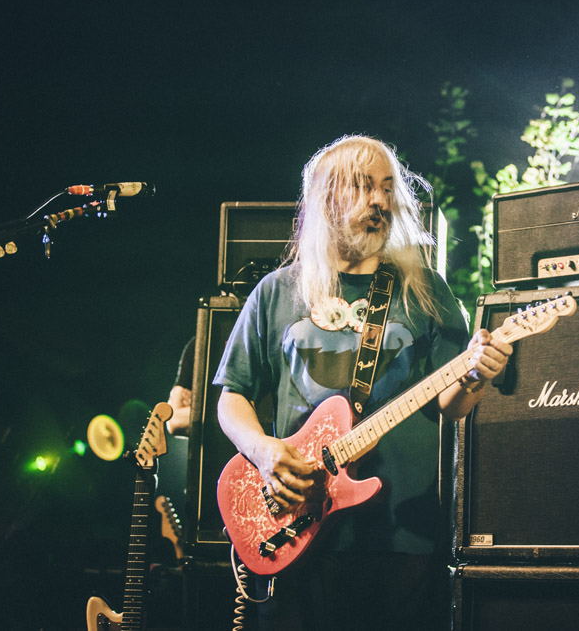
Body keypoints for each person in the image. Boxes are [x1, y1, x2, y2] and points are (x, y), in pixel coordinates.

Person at [212, 135, 512, 630]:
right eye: (363, 187)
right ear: (327, 199)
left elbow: (451, 404)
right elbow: (232, 397)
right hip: (294, 525)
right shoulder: (278, 292)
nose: (380, 201)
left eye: (389, 189)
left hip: (399, 534)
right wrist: (264, 452)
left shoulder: (424, 288)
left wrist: (477, 374)